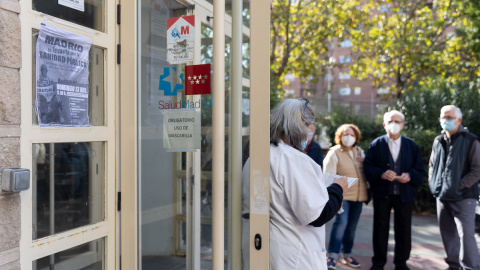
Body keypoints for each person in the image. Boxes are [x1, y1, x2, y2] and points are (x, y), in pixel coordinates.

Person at [241, 98, 349, 269]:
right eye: (308, 125)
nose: (309, 131)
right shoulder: (293, 159)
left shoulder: (258, 155)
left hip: (261, 249)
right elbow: (318, 215)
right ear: (297, 125)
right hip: (292, 255)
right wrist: (337, 188)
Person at [363, 110, 425, 270]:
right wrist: (381, 174)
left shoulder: (411, 145)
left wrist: (409, 176)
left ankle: (401, 263)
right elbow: (368, 167)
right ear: (384, 124)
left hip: (404, 195)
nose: (394, 124)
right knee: (380, 229)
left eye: (397, 121)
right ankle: (378, 263)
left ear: (403, 125)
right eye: (390, 121)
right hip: (382, 194)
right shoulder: (377, 144)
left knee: (404, 229)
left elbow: (420, 169)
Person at [428, 105, 480, 270]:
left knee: (466, 235)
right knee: (447, 233)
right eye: (443, 117)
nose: (445, 120)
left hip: (464, 196)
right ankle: (453, 265)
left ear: (459, 120)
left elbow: (477, 169)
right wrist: (434, 182)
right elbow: (432, 165)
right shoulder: (438, 140)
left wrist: (458, 185)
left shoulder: (471, 140)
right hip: (442, 196)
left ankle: (470, 266)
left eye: (449, 117)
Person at [324, 124, 367, 269]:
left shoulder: (359, 152)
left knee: (351, 227)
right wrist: (333, 196)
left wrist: (365, 162)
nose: (349, 137)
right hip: (342, 196)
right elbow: (328, 176)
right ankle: (332, 256)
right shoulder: (334, 152)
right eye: (345, 134)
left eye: (352, 134)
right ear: (340, 136)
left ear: (356, 137)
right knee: (341, 224)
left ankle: (346, 254)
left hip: (359, 196)